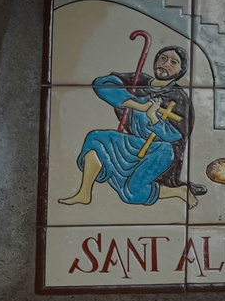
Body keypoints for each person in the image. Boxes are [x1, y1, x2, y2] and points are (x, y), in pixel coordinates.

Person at [56, 45, 195, 207]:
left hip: (160, 150)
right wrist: (138, 105)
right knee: (95, 139)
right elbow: (102, 84)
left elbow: (176, 134)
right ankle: (84, 193)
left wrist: (153, 118)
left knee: (133, 193)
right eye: (163, 58)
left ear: (180, 70)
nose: (165, 64)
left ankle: (179, 192)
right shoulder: (139, 81)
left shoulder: (178, 97)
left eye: (173, 62)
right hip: (136, 143)